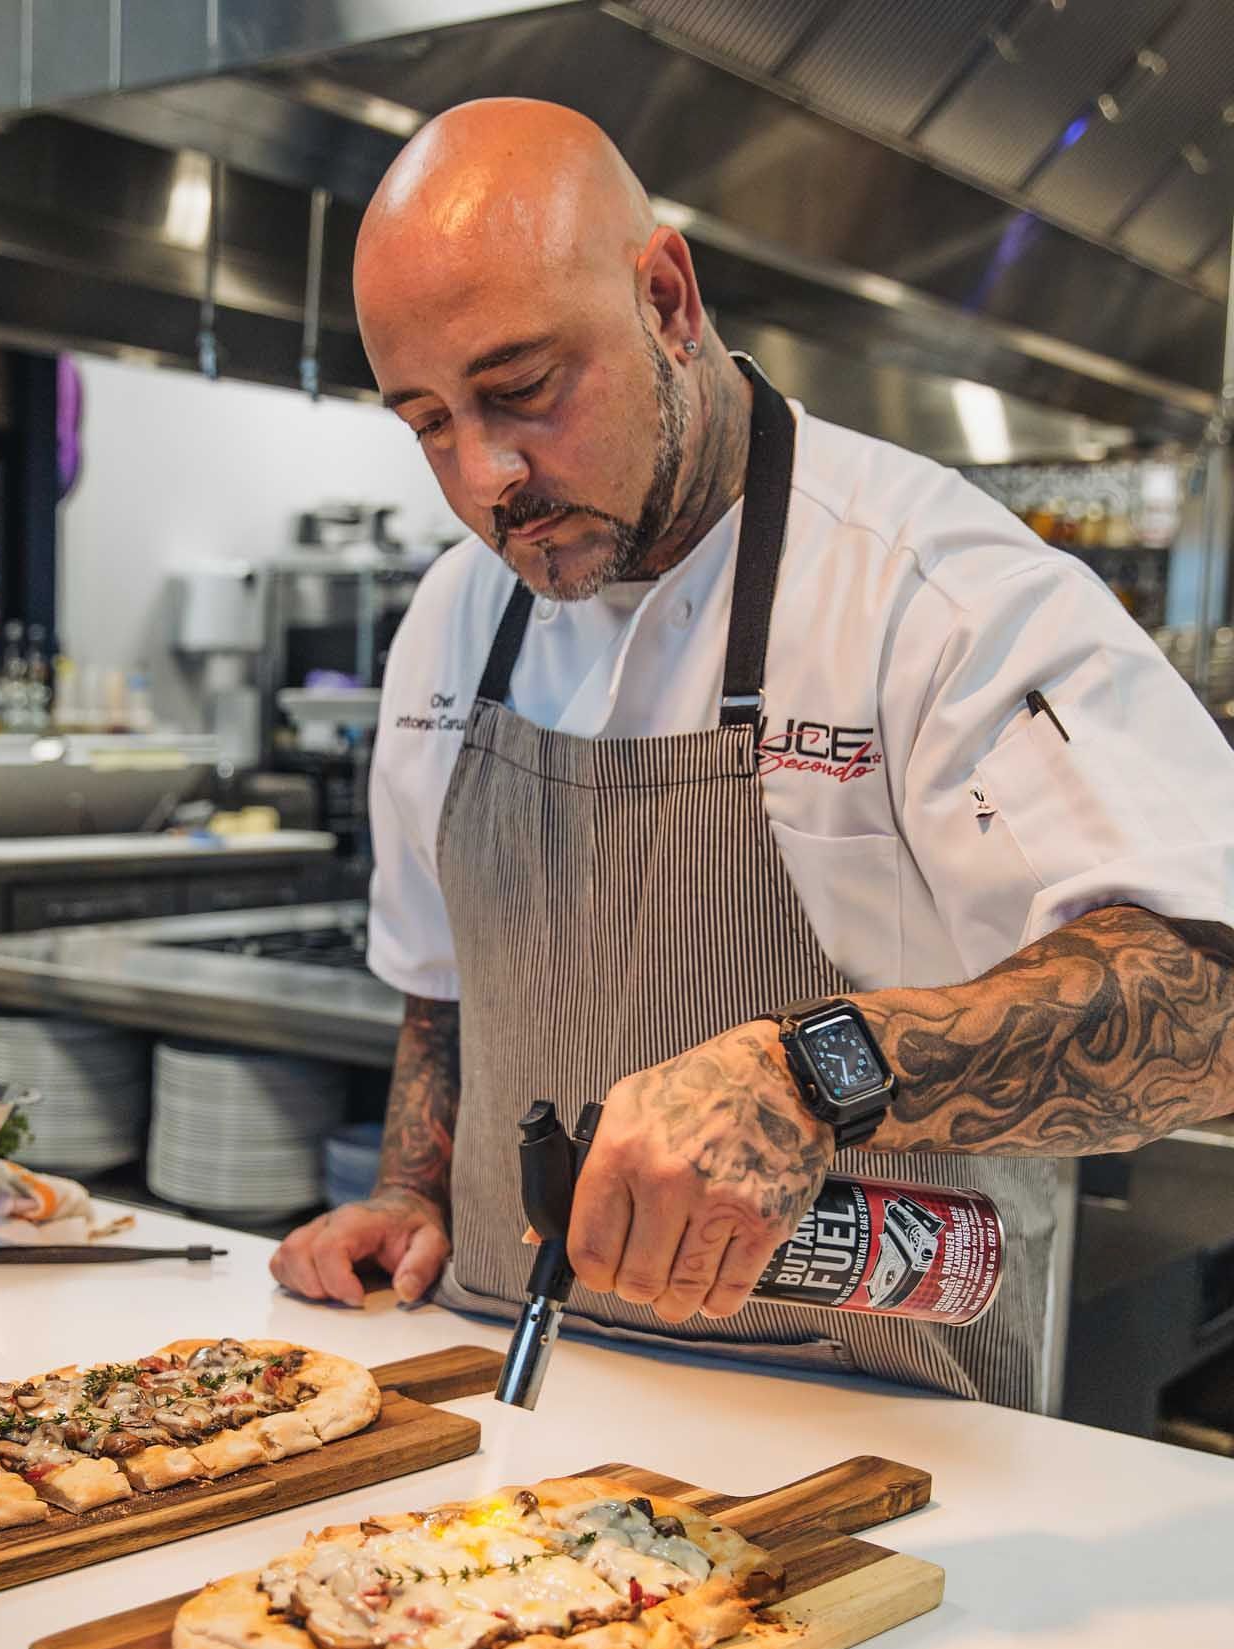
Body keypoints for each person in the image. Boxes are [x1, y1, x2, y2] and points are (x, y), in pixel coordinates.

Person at [271, 98, 1234, 1410]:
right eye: (427, 420)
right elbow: (441, 984)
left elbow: (1208, 1003)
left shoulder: (928, 589)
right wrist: (407, 1187)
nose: (485, 474)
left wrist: (810, 1074)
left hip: (866, 1429)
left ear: (667, 299)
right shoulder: (455, 613)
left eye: (520, 390)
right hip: (508, 1395)